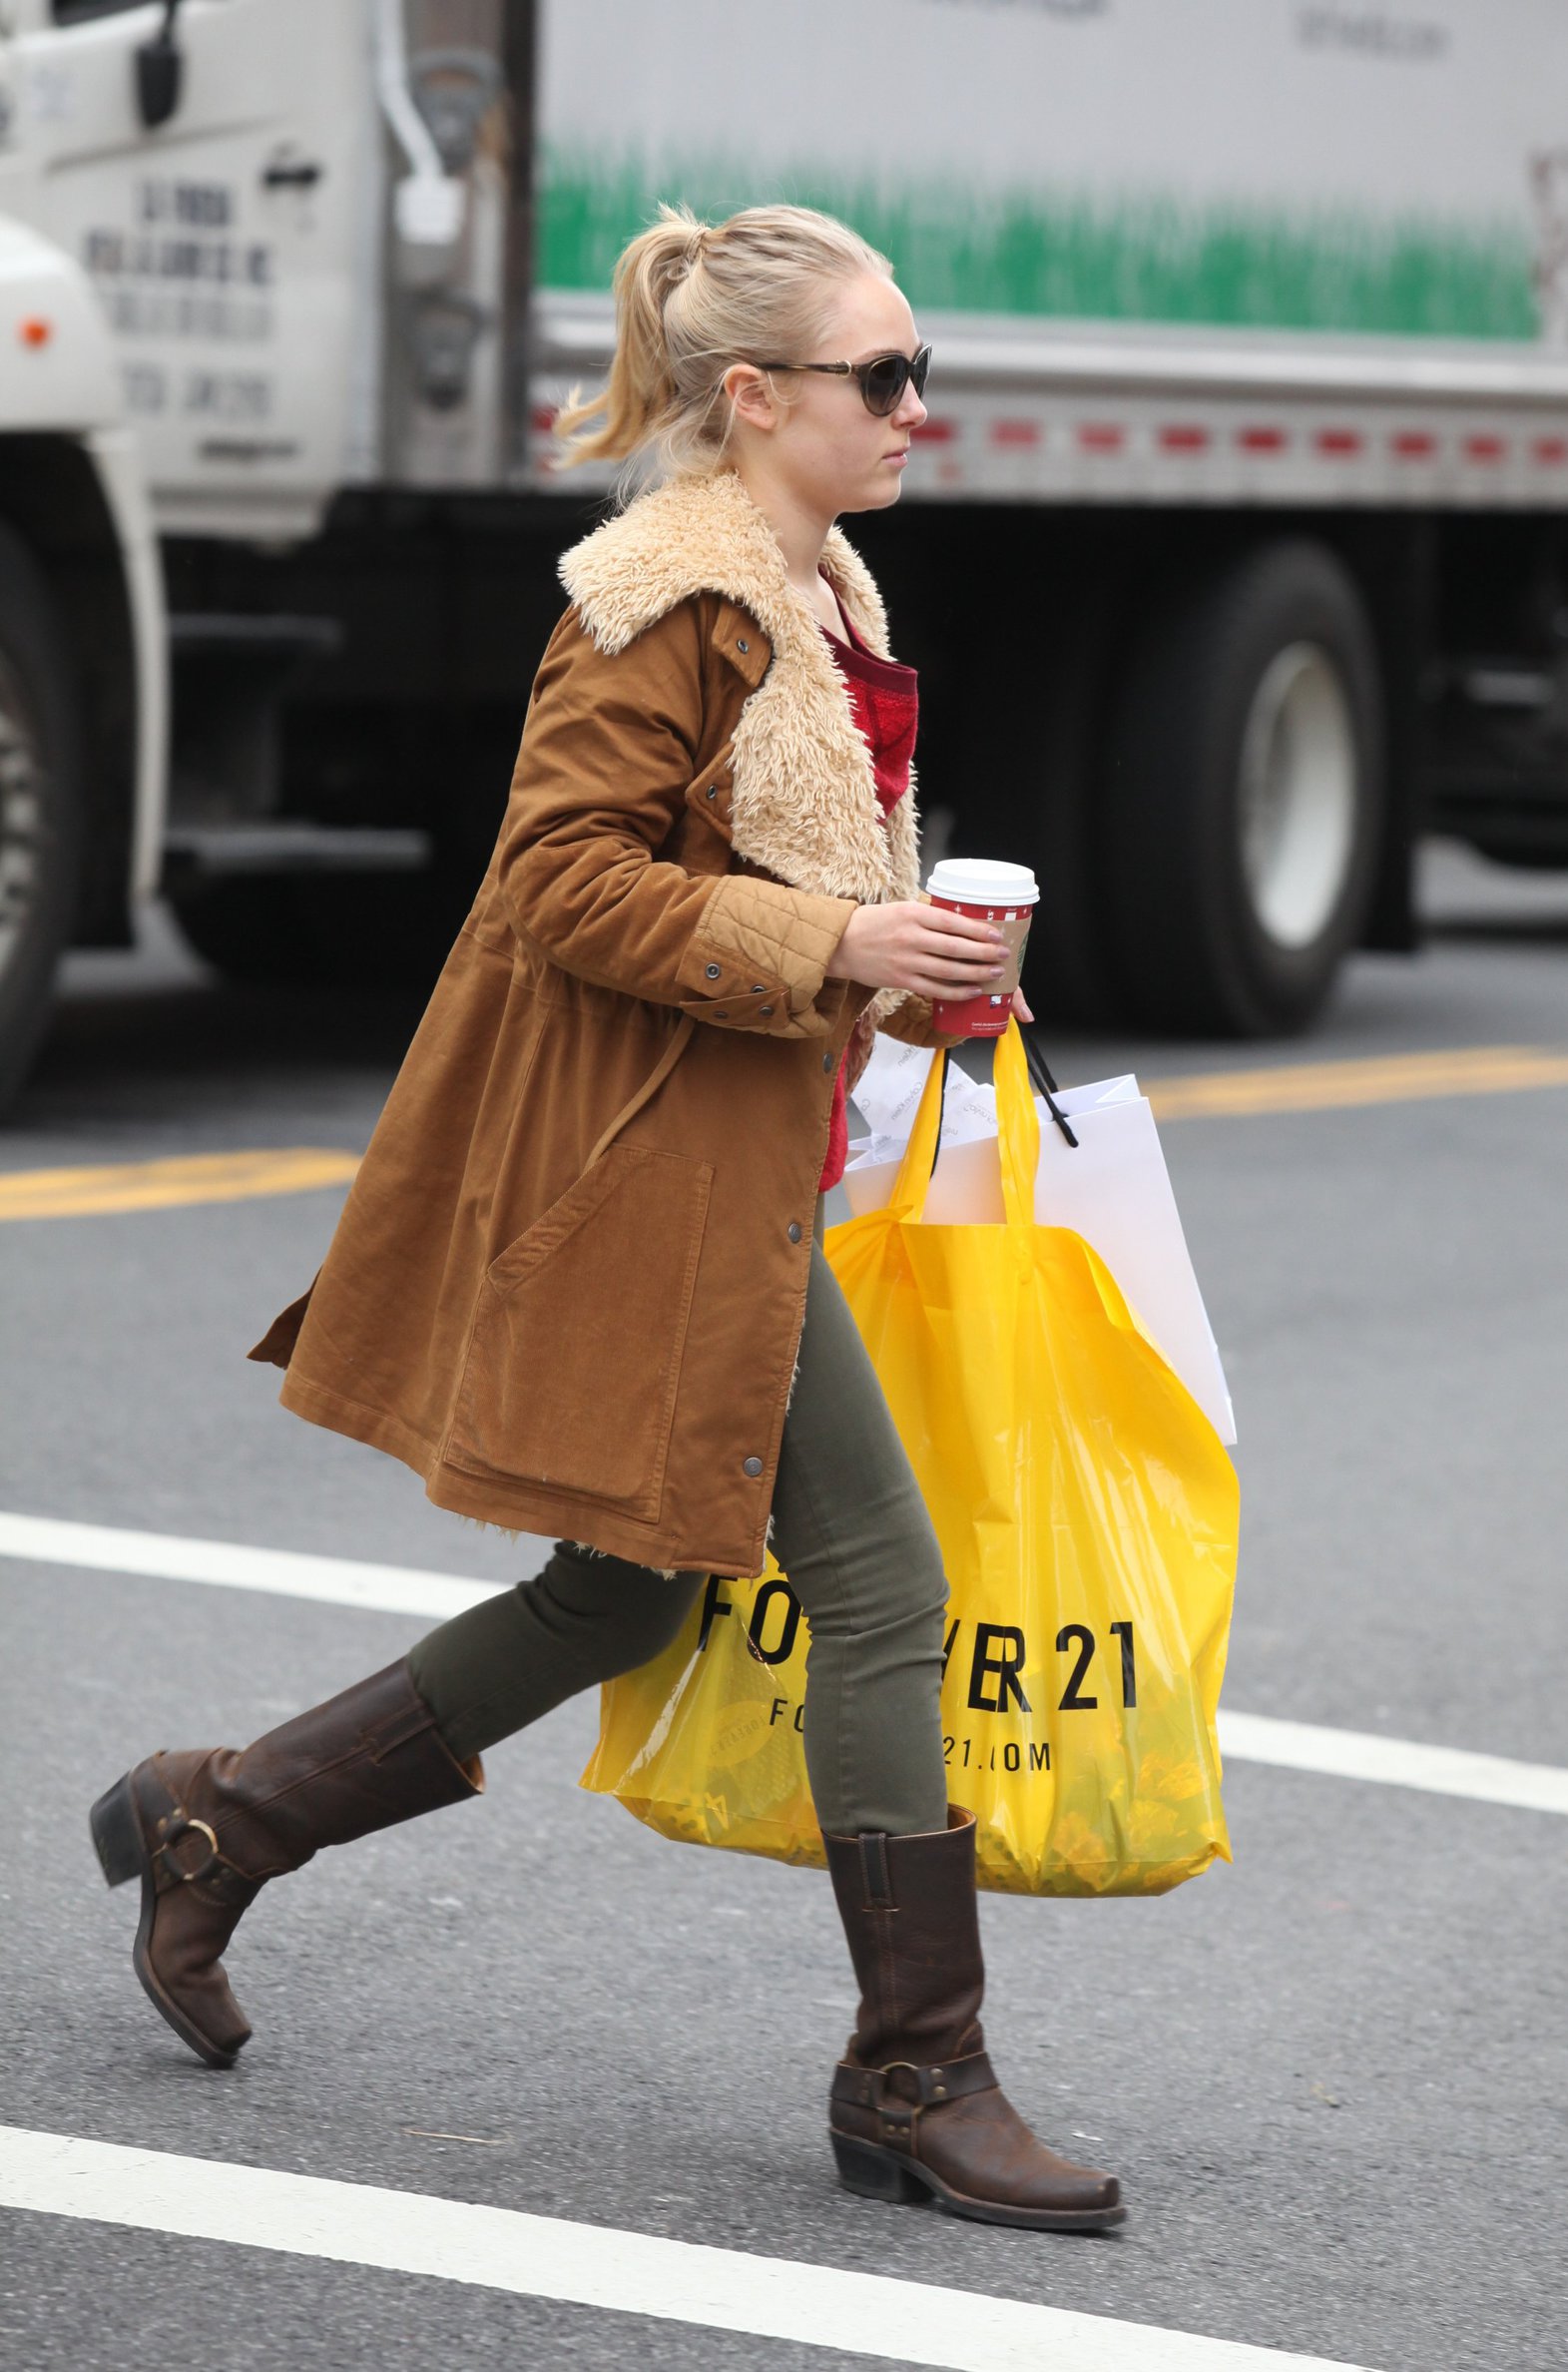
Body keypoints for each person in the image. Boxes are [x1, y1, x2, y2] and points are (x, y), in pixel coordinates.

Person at [89, 203, 1123, 2235]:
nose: (922, 408)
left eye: (919, 371)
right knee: (883, 1589)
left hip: (751, 1135)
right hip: (659, 1158)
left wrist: (899, 968)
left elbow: (792, 871)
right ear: (754, 398)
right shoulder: (661, 601)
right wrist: (839, 936)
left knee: (630, 1587)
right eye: (882, 377)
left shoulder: (818, 571)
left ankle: (222, 1821)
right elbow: (563, 878)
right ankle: (919, 2066)